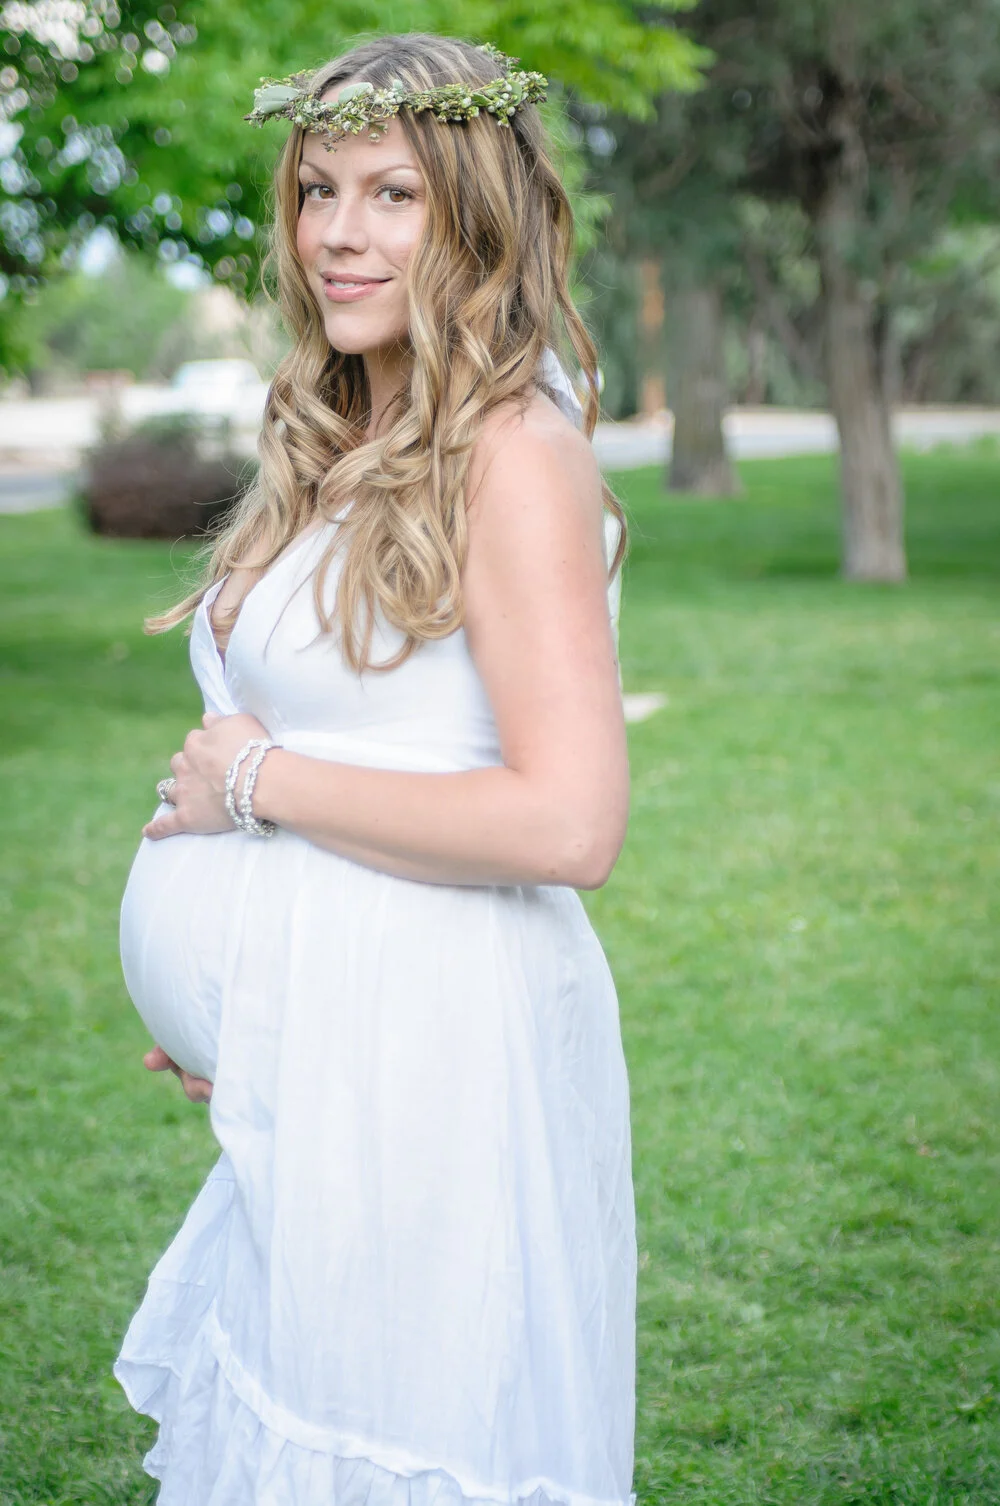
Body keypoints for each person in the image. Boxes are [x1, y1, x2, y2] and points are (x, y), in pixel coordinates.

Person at [114, 32, 636, 1506]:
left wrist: (254, 784)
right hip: (329, 1043)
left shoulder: (511, 454)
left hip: (435, 1052)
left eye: (393, 194)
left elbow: (571, 820)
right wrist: (245, 990)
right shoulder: (355, 430)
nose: (338, 233)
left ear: (477, 218)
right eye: (318, 190)